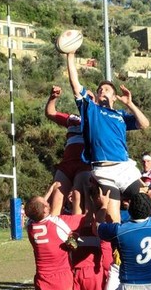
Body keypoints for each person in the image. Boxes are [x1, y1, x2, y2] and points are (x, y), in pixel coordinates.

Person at [66, 52, 150, 223]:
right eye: (99, 89)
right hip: (104, 171)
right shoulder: (91, 109)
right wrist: (70, 55)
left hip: (125, 168)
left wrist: (130, 104)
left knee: (146, 205)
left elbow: (144, 124)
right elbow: (75, 85)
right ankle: (115, 249)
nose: (102, 90)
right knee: (113, 218)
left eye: (107, 89)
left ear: (114, 97)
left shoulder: (120, 115)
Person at [95, 188, 151, 290]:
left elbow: (96, 228)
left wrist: (103, 205)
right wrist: (149, 192)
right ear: (150, 209)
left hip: (130, 285)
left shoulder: (120, 230)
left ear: (129, 209)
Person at [45, 85, 91, 215]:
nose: (87, 100)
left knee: (78, 196)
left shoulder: (98, 119)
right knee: (57, 194)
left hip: (85, 163)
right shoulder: (72, 118)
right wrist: (53, 98)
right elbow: (51, 113)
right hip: (67, 162)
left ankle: (79, 231)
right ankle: (53, 229)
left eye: (91, 97)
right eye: (85, 97)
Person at [25, 195, 85, 290]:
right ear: (44, 210)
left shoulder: (30, 226)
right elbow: (81, 218)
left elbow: (35, 207)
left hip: (41, 278)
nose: (48, 202)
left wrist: (49, 192)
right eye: (46, 202)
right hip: (61, 279)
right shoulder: (58, 222)